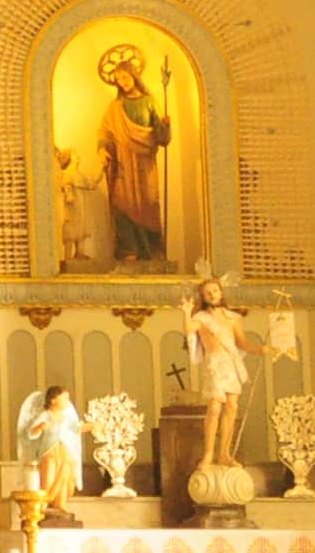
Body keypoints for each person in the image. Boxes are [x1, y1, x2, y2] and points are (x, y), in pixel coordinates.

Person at [94, 45, 172, 264]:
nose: (123, 81)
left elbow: (162, 139)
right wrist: (102, 149)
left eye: (125, 76)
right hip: (123, 164)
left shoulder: (149, 102)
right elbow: (105, 132)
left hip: (145, 163)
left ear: (133, 76)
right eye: (118, 78)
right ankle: (128, 250)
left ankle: (153, 252)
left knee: (148, 202)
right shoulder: (115, 107)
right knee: (122, 203)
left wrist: (165, 127)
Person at [183, 276, 262, 473]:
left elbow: (242, 343)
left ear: (221, 292)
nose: (213, 295)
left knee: (232, 407)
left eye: (215, 291)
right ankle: (208, 453)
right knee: (215, 408)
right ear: (203, 296)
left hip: (231, 363)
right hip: (214, 363)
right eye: (208, 292)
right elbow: (188, 329)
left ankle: (225, 453)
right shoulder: (201, 318)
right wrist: (186, 312)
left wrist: (262, 349)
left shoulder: (233, 318)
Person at [13, 386, 85, 515]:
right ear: (53, 400)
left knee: (65, 475)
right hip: (49, 452)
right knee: (48, 478)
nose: (67, 402)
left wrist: (94, 426)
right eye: (64, 398)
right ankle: (43, 505)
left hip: (64, 452)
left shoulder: (66, 418)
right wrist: (39, 428)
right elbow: (31, 433)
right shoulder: (45, 415)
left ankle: (60, 503)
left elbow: (77, 428)